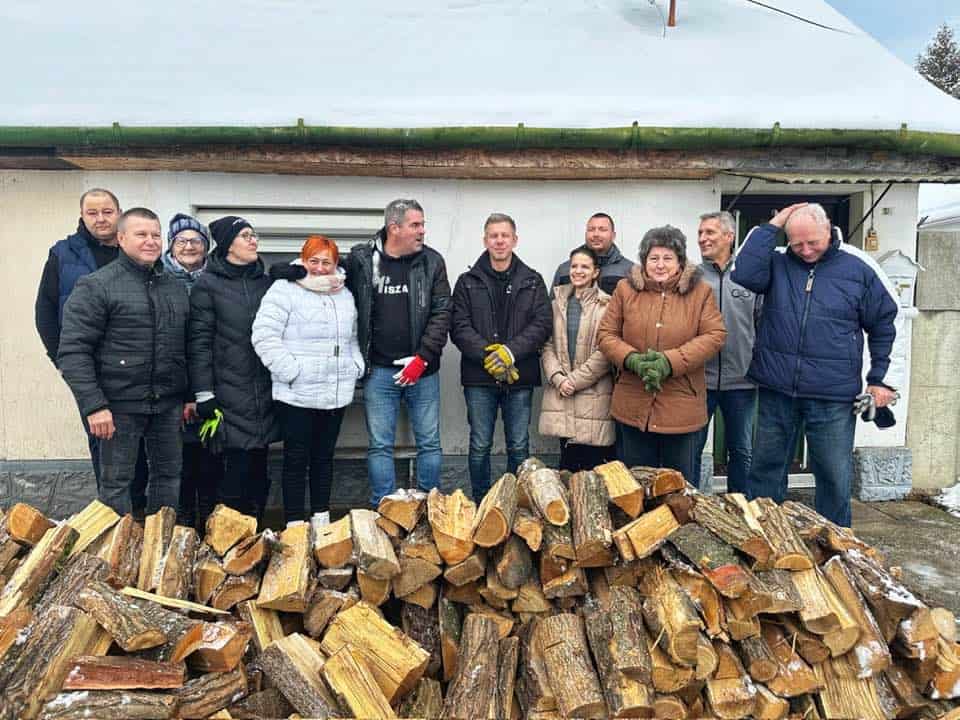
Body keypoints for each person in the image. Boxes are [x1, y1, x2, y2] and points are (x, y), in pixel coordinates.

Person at [731, 203, 898, 527]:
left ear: (828, 229)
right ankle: (765, 537)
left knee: (833, 475)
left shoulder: (858, 267)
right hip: (777, 388)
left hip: (832, 395)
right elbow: (743, 273)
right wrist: (774, 223)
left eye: (813, 242)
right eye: (797, 243)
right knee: (765, 470)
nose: (805, 250)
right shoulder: (777, 261)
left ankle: (835, 545)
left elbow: (886, 324)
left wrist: (880, 379)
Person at [58, 208, 189, 515]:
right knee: (116, 483)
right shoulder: (96, 285)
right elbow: (74, 350)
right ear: (120, 238)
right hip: (118, 406)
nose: (151, 241)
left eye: (156, 235)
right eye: (141, 234)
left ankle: (160, 550)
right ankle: (113, 556)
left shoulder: (174, 287)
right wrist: (94, 405)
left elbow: (187, 345)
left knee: (168, 478)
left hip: (168, 404)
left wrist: (189, 395)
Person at [35, 188, 148, 510]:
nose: (101, 219)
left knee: (137, 444)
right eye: (93, 213)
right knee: (105, 441)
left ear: (119, 213)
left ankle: (136, 516)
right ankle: (112, 518)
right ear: (82, 215)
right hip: (89, 366)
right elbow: (45, 312)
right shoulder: (63, 254)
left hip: (134, 367)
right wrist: (63, 362)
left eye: (107, 212)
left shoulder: (136, 251)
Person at [598, 225, 726, 485]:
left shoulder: (700, 292)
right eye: (653, 258)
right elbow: (606, 335)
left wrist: (670, 361)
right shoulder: (625, 290)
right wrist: (631, 358)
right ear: (643, 261)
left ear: (680, 261)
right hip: (633, 405)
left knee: (678, 488)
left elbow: (715, 335)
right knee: (635, 487)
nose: (660, 265)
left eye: (668, 258)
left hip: (682, 408)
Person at [343, 199, 450, 508]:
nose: (422, 231)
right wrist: (292, 270)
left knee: (429, 443)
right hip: (379, 371)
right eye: (415, 225)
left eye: (422, 224)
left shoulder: (432, 262)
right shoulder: (362, 260)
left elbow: (442, 312)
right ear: (394, 228)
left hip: (423, 370)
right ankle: (383, 509)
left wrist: (423, 358)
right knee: (379, 445)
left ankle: (431, 509)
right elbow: (326, 275)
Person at [252, 235, 363, 523]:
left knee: (324, 458)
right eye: (313, 260)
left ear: (335, 264)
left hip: (335, 391)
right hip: (296, 393)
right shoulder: (285, 289)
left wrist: (355, 365)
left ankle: (321, 521)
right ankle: (294, 523)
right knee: (296, 459)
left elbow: (351, 337)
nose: (319, 268)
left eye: (326, 262)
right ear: (303, 261)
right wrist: (291, 371)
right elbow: (264, 336)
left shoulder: (344, 293)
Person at [450, 213, 552, 498]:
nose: (499, 240)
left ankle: (517, 503)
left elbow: (542, 324)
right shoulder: (467, 281)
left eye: (504, 235)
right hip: (479, 377)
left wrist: (510, 352)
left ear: (514, 240)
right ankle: (482, 502)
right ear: (485, 240)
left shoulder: (532, 280)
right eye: (493, 235)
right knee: (480, 444)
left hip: (520, 376)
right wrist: (489, 356)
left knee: (519, 445)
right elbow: (458, 327)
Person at [189, 216, 279, 520]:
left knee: (260, 470)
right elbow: (199, 343)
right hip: (227, 394)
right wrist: (203, 393)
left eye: (254, 235)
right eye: (245, 235)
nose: (253, 240)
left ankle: (257, 538)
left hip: (264, 391)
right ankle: (226, 538)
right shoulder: (207, 285)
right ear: (228, 244)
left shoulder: (264, 282)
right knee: (233, 472)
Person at [691, 211, 760, 493]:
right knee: (691, 448)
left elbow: (763, 322)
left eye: (709, 233)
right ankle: (690, 507)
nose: (703, 239)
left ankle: (740, 508)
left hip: (742, 381)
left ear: (729, 237)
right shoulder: (692, 277)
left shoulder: (750, 275)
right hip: (699, 380)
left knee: (741, 451)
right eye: (700, 234)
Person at [162, 213, 223, 530]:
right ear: (171, 246)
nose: (189, 246)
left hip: (212, 384)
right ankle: (185, 523)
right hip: (172, 387)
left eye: (196, 241)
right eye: (182, 241)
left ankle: (210, 523)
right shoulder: (159, 278)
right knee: (180, 461)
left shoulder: (215, 278)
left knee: (211, 458)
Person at [539, 245, 616, 472]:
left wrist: (575, 381)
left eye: (585, 266)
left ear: (596, 272)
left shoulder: (608, 306)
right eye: (574, 266)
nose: (578, 271)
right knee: (568, 465)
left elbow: (606, 350)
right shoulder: (555, 305)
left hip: (595, 395)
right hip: (561, 392)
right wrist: (558, 378)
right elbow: (546, 344)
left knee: (594, 466)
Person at [552, 213, 633, 295]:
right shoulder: (565, 270)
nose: (596, 234)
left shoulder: (629, 270)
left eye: (602, 230)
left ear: (613, 235)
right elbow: (553, 305)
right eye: (591, 229)